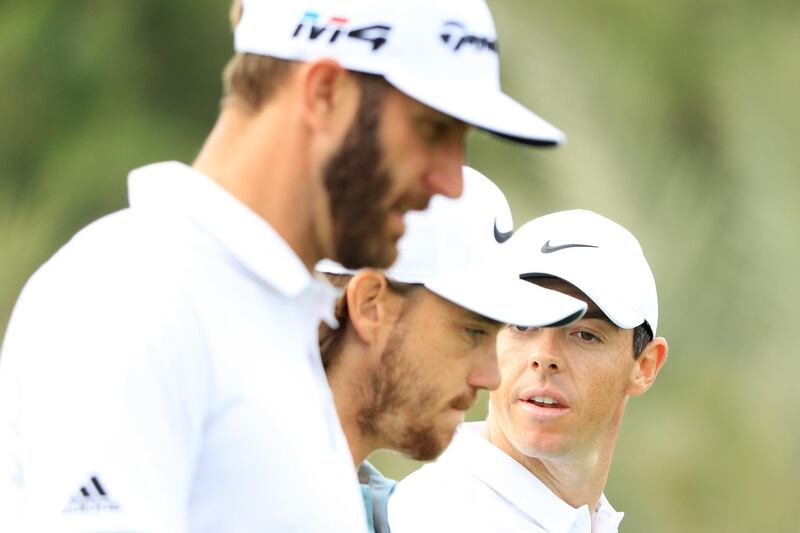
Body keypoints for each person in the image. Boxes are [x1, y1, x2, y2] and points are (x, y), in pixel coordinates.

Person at [0, 0, 568, 531]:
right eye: (432, 130)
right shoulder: (127, 293)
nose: (448, 180)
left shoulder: (269, 323)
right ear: (323, 92)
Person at [317, 168, 586, 533]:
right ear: (370, 306)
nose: (492, 377)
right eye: (472, 331)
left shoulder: (356, 512)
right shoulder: (228, 489)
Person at [388, 209, 669, 533]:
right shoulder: (430, 518)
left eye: (585, 334)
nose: (545, 356)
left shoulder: (588, 521)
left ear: (645, 366)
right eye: (522, 324)